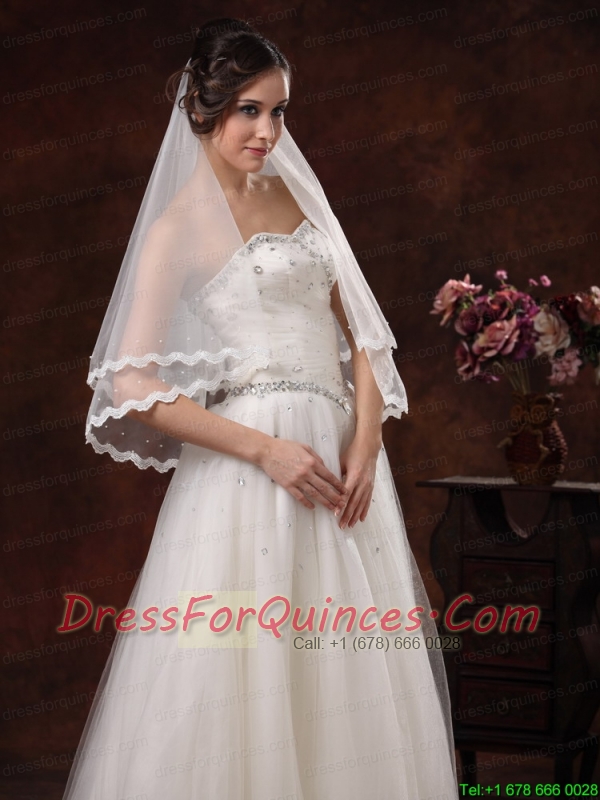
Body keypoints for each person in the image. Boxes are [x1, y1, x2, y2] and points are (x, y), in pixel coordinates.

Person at [63, 18, 459, 800]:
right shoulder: (178, 228)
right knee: (241, 671)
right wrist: (262, 449)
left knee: (348, 667)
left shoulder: (298, 195)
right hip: (251, 471)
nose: (268, 131)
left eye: (278, 111)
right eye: (249, 110)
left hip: (341, 465)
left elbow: (364, 333)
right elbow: (131, 382)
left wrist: (367, 439)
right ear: (201, 109)